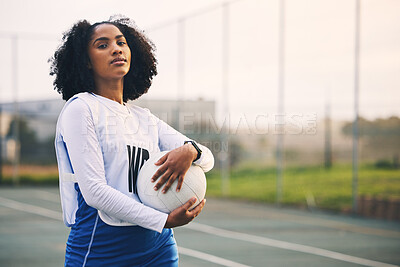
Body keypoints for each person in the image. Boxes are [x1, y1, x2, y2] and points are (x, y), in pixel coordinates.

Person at [49, 15, 214, 266]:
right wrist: (164, 221)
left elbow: (208, 159)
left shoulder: (143, 118)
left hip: (158, 247)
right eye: (102, 45)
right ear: (86, 61)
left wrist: (190, 151)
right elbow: (94, 192)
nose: (116, 48)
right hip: (103, 247)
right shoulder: (81, 109)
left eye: (121, 42)